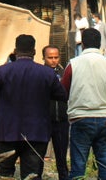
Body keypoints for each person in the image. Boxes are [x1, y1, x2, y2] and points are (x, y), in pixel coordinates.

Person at [0, 34, 67, 180]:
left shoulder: (3, 71)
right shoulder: (47, 73)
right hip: (36, 134)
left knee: (5, 175)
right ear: (34, 52)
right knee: (32, 176)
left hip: (8, 133)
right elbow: (62, 95)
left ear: (15, 51)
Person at [61, 28, 106, 180]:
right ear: (100, 43)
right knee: (105, 165)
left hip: (80, 120)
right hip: (105, 120)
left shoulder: (73, 64)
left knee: (78, 167)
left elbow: (63, 92)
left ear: (83, 43)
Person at [43, 45, 69, 180]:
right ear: (44, 58)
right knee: (37, 156)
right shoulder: (40, 73)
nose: (53, 60)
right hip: (44, 120)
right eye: (50, 57)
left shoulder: (65, 73)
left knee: (61, 158)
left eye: (56, 57)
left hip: (62, 120)